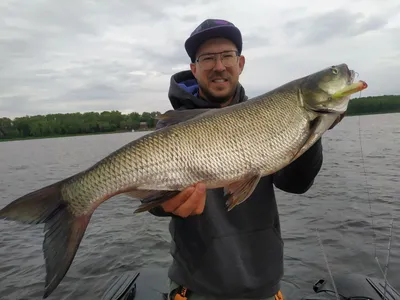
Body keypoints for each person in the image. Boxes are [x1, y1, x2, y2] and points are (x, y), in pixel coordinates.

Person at [146, 19, 344, 300]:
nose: (219, 66)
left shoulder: (269, 115)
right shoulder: (171, 126)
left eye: (227, 55)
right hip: (197, 289)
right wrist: (164, 206)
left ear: (240, 63)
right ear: (194, 68)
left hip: (265, 286)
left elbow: (297, 184)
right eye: (208, 58)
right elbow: (153, 199)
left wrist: (313, 127)